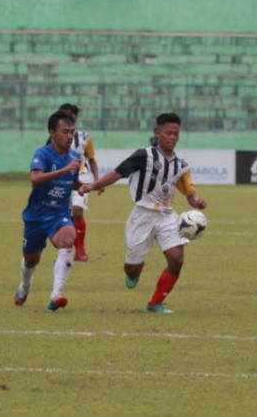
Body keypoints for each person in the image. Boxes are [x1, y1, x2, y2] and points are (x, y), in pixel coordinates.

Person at [80, 113, 207, 314]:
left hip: (167, 216)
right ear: (158, 133)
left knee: (177, 260)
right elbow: (117, 173)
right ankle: (135, 269)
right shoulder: (143, 156)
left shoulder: (181, 165)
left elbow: (188, 192)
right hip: (142, 216)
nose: (172, 137)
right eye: (168, 133)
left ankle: (156, 303)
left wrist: (196, 202)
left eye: (176, 134)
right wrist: (94, 185)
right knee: (130, 268)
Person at [16, 110, 81, 311]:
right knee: (31, 260)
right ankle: (25, 286)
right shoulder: (42, 153)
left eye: (72, 132)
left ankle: (56, 295)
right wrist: (63, 170)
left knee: (68, 238)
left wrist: (86, 186)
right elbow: (35, 178)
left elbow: (73, 182)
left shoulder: (75, 157)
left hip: (59, 215)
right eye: (65, 132)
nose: (70, 136)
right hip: (36, 217)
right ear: (52, 133)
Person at [56, 103, 101, 262]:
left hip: (81, 178)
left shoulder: (85, 137)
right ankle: (66, 248)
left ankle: (80, 249)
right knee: (65, 216)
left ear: (76, 117)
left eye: (72, 113)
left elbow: (92, 159)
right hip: (61, 179)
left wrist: (98, 181)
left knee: (77, 212)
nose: (69, 116)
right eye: (65, 113)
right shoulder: (54, 137)